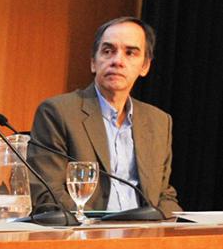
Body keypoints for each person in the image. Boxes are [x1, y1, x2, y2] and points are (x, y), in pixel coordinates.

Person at [28, 16, 181, 216]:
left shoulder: (159, 121)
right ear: (93, 62)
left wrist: (174, 229)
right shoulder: (58, 112)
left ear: (145, 66)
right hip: (85, 236)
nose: (117, 61)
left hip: (146, 236)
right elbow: (46, 191)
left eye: (130, 53)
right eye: (108, 51)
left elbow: (163, 194)